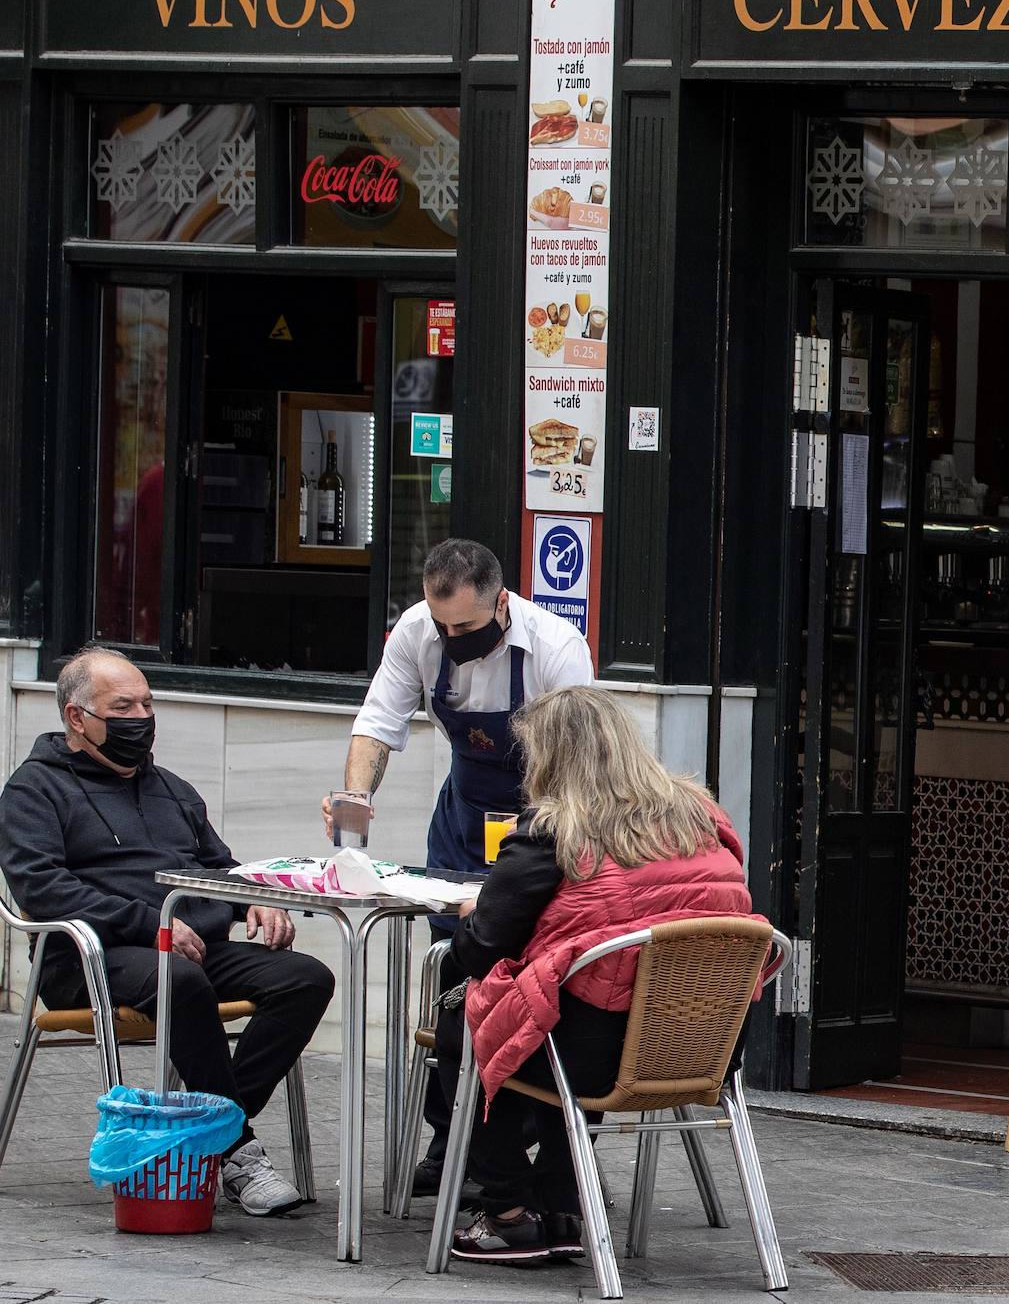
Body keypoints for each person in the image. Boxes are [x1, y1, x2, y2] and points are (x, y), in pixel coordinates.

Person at [0, 647, 335, 1217]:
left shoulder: (172, 788)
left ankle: (209, 1127)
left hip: (192, 947)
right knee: (179, 979)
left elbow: (220, 867)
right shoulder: (34, 790)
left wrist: (254, 902)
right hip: (88, 959)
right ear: (78, 717)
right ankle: (238, 1152)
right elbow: (42, 890)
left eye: (147, 703)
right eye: (123, 706)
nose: (141, 717)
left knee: (306, 978)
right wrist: (152, 923)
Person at [435, 685, 760, 1264]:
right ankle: (562, 1201)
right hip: (700, 1044)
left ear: (551, 759)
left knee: (473, 1018)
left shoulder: (552, 832)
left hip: (593, 1053)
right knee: (578, 998)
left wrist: (471, 917)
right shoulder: (703, 821)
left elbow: (482, 949)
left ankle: (509, 1210)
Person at [326, 537, 593, 1194]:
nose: (451, 637)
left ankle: (510, 1134)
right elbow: (377, 725)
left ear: (501, 603)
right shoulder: (417, 633)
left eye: (466, 628)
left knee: (527, 978)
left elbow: (582, 769)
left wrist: (532, 862)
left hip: (541, 826)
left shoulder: (557, 649)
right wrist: (355, 806)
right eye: (442, 625)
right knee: (457, 972)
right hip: (462, 824)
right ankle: (455, 1135)